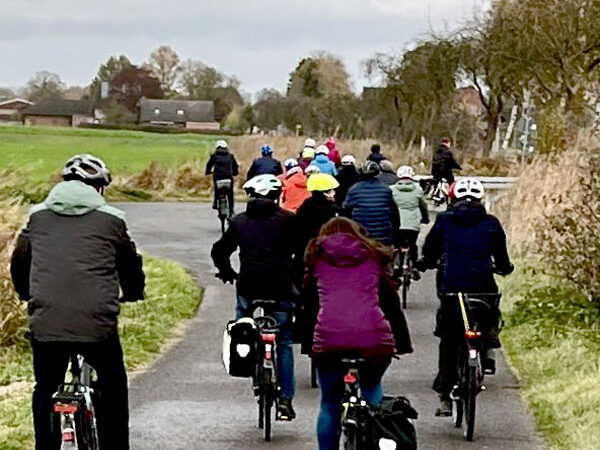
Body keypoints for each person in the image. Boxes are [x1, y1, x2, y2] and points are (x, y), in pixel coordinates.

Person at [10, 154, 145, 450]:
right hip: (96, 323)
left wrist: (26, 294)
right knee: (112, 385)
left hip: (46, 321)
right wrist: (134, 292)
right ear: (99, 188)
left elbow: (19, 261)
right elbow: (130, 264)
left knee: (45, 387)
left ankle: (45, 446)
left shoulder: (37, 217)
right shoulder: (112, 220)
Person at [300, 217, 413, 450]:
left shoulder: (317, 261)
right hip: (373, 340)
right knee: (372, 390)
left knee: (330, 404)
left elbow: (309, 306)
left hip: (330, 341)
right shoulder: (374, 259)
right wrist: (402, 342)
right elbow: (390, 303)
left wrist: (306, 341)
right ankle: (377, 436)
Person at [416, 177, 513, 417]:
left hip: (453, 288)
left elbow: (430, 250)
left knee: (448, 340)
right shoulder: (491, 222)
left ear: (453, 198)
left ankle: (444, 393)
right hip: (483, 286)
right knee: (488, 313)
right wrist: (504, 267)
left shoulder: (445, 220)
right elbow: (501, 256)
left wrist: (426, 263)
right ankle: (488, 347)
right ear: (480, 199)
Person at [211, 174, 298, 420]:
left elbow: (219, 250)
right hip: (281, 287)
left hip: (249, 287)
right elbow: (303, 251)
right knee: (284, 342)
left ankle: (251, 363)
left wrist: (227, 272)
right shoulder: (288, 220)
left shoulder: (239, 221)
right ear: (276, 196)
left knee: (244, 325)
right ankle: (285, 400)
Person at [292, 173, 339, 283]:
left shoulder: (304, 208)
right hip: (326, 257)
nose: (334, 193)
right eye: (330, 191)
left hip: (305, 255)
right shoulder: (332, 211)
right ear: (324, 193)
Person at [342, 161, 401, 248]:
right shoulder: (385, 190)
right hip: (383, 237)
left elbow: (345, 211)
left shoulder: (354, 190)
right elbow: (394, 215)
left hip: (361, 236)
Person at [390, 166, 429, 270]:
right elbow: (423, 206)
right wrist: (425, 218)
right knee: (412, 244)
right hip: (413, 224)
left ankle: (395, 264)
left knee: (396, 244)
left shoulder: (392, 190)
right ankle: (415, 267)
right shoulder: (418, 189)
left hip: (396, 224)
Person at [205, 139, 239, 216]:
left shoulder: (214, 156)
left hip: (218, 177)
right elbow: (235, 166)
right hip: (228, 178)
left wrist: (208, 172)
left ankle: (215, 202)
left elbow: (209, 165)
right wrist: (235, 173)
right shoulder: (231, 156)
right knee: (230, 194)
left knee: (217, 190)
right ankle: (231, 210)